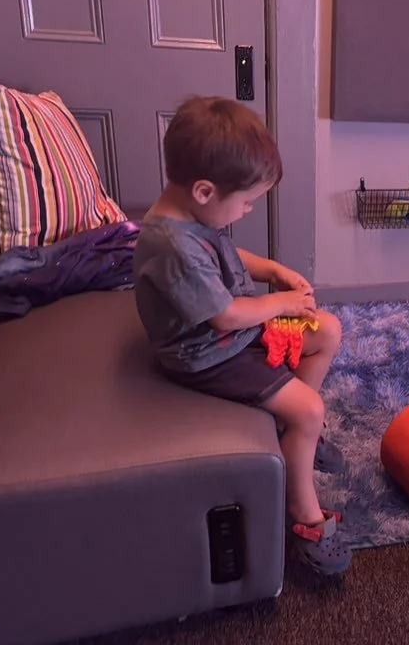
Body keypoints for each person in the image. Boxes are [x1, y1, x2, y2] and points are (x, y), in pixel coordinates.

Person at [132, 96, 351, 575]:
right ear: (206, 191)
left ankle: (293, 433)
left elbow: (228, 255)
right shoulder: (172, 245)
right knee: (311, 409)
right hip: (207, 354)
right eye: (248, 201)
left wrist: (273, 269)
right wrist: (281, 303)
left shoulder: (193, 215)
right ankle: (303, 512)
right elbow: (226, 317)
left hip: (234, 332)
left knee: (326, 330)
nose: (249, 210)